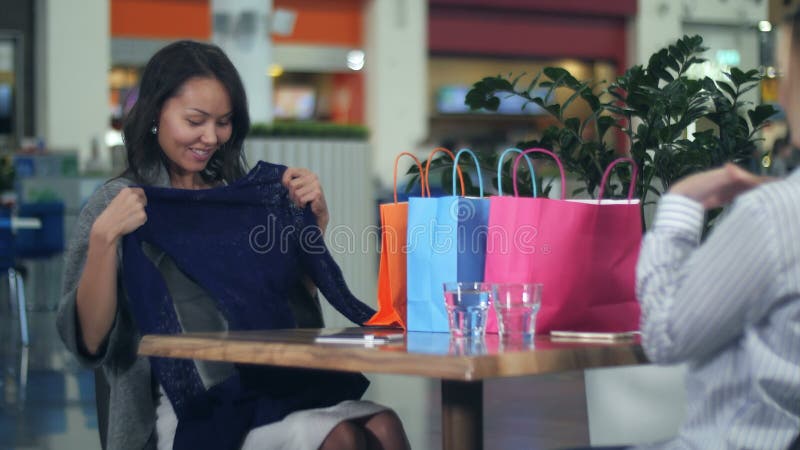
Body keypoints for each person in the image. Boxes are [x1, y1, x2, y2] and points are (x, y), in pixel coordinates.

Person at [56, 40, 409, 450]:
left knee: (384, 425)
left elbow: (288, 313)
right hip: (184, 406)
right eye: (195, 120)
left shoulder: (234, 199)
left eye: (223, 122)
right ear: (155, 113)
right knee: (342, 437)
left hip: (263, 386)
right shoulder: (118, 202)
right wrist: (102, 241)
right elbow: (87, 342)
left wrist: (312, 230)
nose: (211, 137)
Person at [631, 9, 800, 450]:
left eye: (784, 71)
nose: (780, 89)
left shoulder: (777, 214)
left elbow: (666, 335)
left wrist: (681, 205)